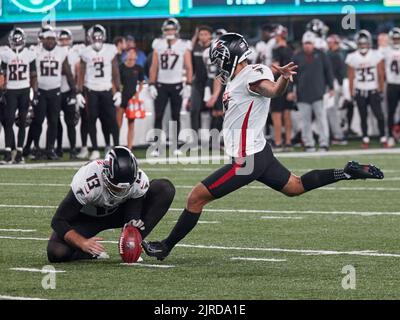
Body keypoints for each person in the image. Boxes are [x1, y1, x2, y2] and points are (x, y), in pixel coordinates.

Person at [141, 33, 384, 261]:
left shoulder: (252, 74)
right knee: (295, 187)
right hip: (260, 153)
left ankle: (165, 246)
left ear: (231, 57)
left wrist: (282, 81)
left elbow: (272, 90)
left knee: (195, 197)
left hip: (248, 160)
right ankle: (347, 172)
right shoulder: (237, 78)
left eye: (220, 60)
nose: (218, 66)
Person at [46, 146, 175, 262]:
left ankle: (133, 246)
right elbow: (58, 221)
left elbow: (132, 213)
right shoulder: (88, 180)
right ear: (105, 174)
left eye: (126, 188)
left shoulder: (139, 181)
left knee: (164, 189)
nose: (121, 192)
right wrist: (82, 242)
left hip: (118, 212)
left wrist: (132, 228)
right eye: (116, 188)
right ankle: (88, 253)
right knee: (57, 252)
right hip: (89, 217)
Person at [24, 26, 76, 160]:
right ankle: (36, 148)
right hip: (40, 91)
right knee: (38, 121)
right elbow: (32, 73)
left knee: (53, 121)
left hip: (55, 91)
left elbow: (68, 72)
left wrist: (73, 91)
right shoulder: (35, 51)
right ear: (43, 40)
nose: (51, 41)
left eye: (53, 39)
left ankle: (50, 149)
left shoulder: (61, 52)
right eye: (48, 39)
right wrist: (33, 92)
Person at [149, 18, 193, 157]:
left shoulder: (183, 45)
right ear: (164, 31)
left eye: (172, 29)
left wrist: (189, 84)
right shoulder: (158, 44)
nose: (169, 32)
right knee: (159, 116)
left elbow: (189, 66)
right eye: (167, 29)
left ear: (177, 30)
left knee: (175, 116)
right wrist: (151, 84)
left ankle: (175, 145)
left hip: (177, 85)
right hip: (161, 85)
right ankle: (156, 146)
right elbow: (154, 66)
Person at [77, 24, 121, 160]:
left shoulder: (110, 50)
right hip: (91, 90)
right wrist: (79, 91)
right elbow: (81, 73)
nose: (97, 39)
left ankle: (115, 146)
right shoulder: (85, 52)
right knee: (92, 119)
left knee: (111, 120)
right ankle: (95, 148)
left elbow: (115, 71)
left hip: (107, 90)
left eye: (99, 36)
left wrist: (118, 90)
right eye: (94, 37)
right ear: (90, 38)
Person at [292, 31, 334, 152]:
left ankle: (324, 143)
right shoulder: (297, 56)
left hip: (318, 93)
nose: (307, 46)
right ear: (302, 44)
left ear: (314, 44)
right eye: (305, 43)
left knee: (321, 119)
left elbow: (328, 72)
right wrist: (291, 90)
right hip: (302, 94)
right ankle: (309, 143)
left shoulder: (321, 55)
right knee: (305, 120)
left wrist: (331, 87)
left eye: (309, 43)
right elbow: (291, 76)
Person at [0, 28, 37, 164]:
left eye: (18, 39)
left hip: (24, 90)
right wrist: (2, 89)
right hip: (10, 91)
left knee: (22, 122)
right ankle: (8, 152)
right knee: (8, 121)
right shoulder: (6, 54)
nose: (16, 42)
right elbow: (2, 74)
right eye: (14, 39)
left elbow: (33, 75)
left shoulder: (29, 54)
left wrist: (34, 92)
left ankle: (20, 153)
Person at [346, 30, 387, 148]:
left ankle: (383, 137)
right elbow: (351, 76)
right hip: (360, 90)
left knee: (379, 115)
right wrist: (351, 92)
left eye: (365, 44)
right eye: (361, 44)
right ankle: (365, 138)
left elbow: (381, 73)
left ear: (369, 43)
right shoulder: (352, 57)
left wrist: (381, 89)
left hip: (373, 90)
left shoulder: (376, 55)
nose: (363, 46)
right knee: (363, 116)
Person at [56, 28, 81, 160]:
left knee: (70, 122)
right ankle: (58, 148)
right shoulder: (55, 52)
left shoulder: (74, 53)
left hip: (69, 91)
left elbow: (77, 72)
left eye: (66, 39)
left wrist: (76, 91)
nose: (64, 42)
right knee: (55, 122)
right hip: (55, 90)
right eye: (62, 39)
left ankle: (72, 149)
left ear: (70, 40)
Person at [270, 25, 294, 151]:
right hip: (289, 83)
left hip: (279, 83)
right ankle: (288, 141)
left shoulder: (276, 50)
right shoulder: (291, 49)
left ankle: (278, 142)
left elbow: (275, 68)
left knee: (277, 115)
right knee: (287, 114)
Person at [118, 48, 145, 150]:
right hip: (122, 98)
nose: (131, 54)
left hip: (132, 100)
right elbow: (116, 81)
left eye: (134, 52)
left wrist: (138, 93)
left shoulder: (139, 68)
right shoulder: (121, 67)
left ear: (136, 56)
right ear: (126, 55)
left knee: (131, 124)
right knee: (118, 124)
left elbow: (141, 82)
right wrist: (118, 93)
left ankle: (129, 147)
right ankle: (116, 145)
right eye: (130, 52)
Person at [190, 25, 213, 145]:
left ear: (210, 35)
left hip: (211, 83)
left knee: (213, 112)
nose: (203, 36)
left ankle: (213, 139)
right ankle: (195, 139)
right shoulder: (196, 47)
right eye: (201, 34)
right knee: (194, 110)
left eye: (205, 34)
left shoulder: (214, 48)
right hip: (197, 83)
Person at [326, 34, 347, 145]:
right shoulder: (336, 54)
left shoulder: (334, 54)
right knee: (331, 111)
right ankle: (336, 135)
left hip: (335, 84)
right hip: (335, 84)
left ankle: (336, 135)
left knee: (331, 111)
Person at [381, 27, 400, 147]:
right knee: (391, 112)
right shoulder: (385, 51)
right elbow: (381, 68)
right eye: (394, 38)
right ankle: (391, 136)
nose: (396, 40)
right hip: (392, 84)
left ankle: (397, 132)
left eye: (398, 38)